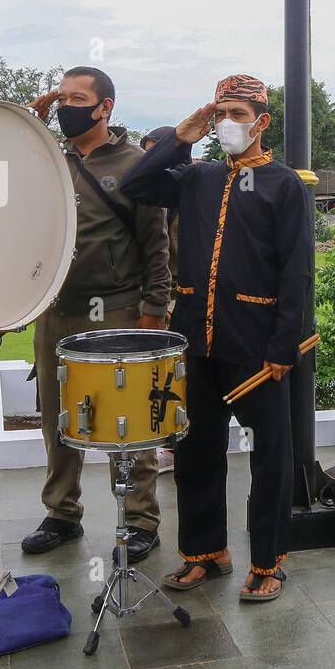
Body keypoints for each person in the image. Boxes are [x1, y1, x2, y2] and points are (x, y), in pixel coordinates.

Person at [120, 75, 312, 602]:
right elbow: (137, 185)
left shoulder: (284, 184)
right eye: (220, 111)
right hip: (195, 343)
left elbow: (296, 271)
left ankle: (268, 561)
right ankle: (206, 553)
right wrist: (181, 136)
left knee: (270, 457)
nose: (227, 121)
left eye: (238, 112)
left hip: (256, 347)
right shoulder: (197, 177)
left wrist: (282, 348)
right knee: (195, 451)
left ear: (262, 121)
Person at [19, 67, 172, 564]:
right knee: (55, 416)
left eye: (77, 98)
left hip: (117, 310)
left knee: (122, 417)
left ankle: (139, 519)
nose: (66, 106)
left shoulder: (136, 164)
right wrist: (30, 124)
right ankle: (62, 512)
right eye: (61, 98)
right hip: (55, 310)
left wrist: (155, 309)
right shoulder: (48, 161)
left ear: (105, 107)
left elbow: (156, 243)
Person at [142, 124, 187, 477]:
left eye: (156, 151)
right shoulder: (150, 196)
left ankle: (175, 447)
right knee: (159, 377)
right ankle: (166, 444)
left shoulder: (190, 188)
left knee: (178, 377)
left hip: (183, 296)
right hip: (159, 297)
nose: (150, 160)